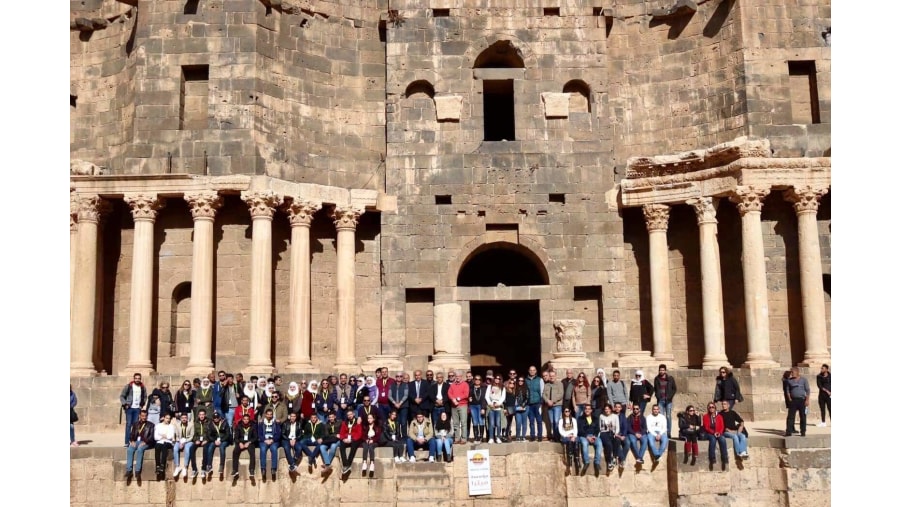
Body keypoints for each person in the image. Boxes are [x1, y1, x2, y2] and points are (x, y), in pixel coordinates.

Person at [125, 409, 155, 479]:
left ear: (147, 416)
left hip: (146, 442)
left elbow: (152, 437)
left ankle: (137, 471)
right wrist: (132, 441)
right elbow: (132, 434)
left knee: (140, 449)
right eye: (142, 416)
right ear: (139, 416)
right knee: (130, 449)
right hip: (136, 442)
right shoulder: (136, 424)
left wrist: (145, 442)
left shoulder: (151, 425)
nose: (144, 417)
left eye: (145, 416)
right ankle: (129, 470)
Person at [120, 373, 148, 447]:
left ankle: (134, 441)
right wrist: (125, 404)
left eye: (139, 378)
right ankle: (127, 442)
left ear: (140, 379)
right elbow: (122, 396)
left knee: (135, 425)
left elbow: (145, 396)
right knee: (128, 425)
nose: (137, 380)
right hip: (129, 408)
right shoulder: (129, 386)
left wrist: (142, 404)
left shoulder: (142, 387)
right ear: (134, 378)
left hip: (137, 408)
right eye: (136, 378)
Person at [784, 367, 811, 437]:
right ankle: (788, 431)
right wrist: (789, 399)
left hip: (802, 400)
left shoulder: (804, 380)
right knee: (790, 417)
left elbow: (807, 390)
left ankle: (803, 431)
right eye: (791, 372)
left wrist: (807, 400)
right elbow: (787, 391)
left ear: (797, 372)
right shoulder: (789, 381)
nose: (791, 374)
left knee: (803, 416)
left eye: (792, 372)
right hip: (793, 400)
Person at [702, 402, 728, 470]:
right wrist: (714, 433)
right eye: (710, 407)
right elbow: (706, 427)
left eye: (712, 407)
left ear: (715, 408)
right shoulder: (705, 416)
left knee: (722, 439)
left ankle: (724, 458)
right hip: (709, 433)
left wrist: (719, 433)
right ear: (708, 408)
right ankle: (712, 458)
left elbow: (722, 426)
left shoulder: (719, 416)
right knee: (713, 439)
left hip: (718, 433)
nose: (711, 408)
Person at [577, 404, 602, 475]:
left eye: (589, 409)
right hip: (584, 436)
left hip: (593, 435)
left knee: (599, 443)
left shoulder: (595, 418)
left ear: (591, 410)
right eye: (586, 409)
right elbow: (579, 430)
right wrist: (587, 436)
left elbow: (597, 429)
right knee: (584, 444)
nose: (587, 410)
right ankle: (586, 462)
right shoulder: (580, 418)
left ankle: (597, 463)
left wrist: (594, 436)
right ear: (584, 410)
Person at [232, 414, 259, 479]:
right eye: (244, 419)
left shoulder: (252, 426)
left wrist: (249, 442)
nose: (246, 420)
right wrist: (240, 443)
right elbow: (236, 437)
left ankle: (251, 469)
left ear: (249, 420)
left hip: (249, 442)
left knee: (252, 453)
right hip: (241, 442)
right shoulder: (238, 426)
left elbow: (255, 437)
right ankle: (235, 470)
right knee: (235, 452)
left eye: (247, 419)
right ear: (242, 420)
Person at [188, 408, 213, 478]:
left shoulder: (209, 422)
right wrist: (196, 440)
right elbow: (194, 434)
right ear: (198, 415)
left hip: (206, 440)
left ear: (205, 415)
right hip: (198, 440)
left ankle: (203, 468)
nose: (201, 416)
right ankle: (194, 469)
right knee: (191, 448)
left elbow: (211, 433)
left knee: (205, 449)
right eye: (200, 415)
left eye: (203, 414)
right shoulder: (195, 423)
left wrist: (206, 440)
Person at [653, 364, 677, 437]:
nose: (661, 371)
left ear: (665, 371)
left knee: (668, 416)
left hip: (668, 401)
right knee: (661, 417)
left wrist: (670, 397)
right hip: (660, 400)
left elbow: (674, 388)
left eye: (663, 370)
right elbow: (655, 389)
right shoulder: (656, 379)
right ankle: (662, 432)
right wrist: (658, 396)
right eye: (660, 370)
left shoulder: (670, 378)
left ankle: (668, 432)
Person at [258, 408, 281, 480]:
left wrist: (272, 440)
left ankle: (273, 468)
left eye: (271, 414)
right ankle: (263, 469)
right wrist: (264, 440)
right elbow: (259, 434)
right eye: (268, 414)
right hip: (264, 440)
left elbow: (278, 434)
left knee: (274, 449)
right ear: (265, 415)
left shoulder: (276, 423)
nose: (269, 416)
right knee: (263, 449)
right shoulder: (261, 423)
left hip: (273, 440)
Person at [339, 411, 365, 475]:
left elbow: (359, 433)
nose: (349, 416)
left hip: (355, 439)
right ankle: (346, 465)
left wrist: (352, 439)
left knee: (354, 446)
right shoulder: (344, 422)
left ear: (353, 414)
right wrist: (343, 439)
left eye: (351, 414)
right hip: (346, 439)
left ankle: (348, 464)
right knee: (341, 445)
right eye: (348, 415)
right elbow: (341, 433)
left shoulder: (358, 422)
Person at [208, 412, 232, 477]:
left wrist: (221, 440)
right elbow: (209, 435)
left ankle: (221, 466)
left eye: (217, 418)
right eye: (214, 418)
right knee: (210, 447)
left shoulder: (225, 423)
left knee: (222, 448)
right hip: (215, 440)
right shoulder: (211, 424)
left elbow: (227, 434)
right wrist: (214, 440)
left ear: (219, 418)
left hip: (224, 440)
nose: (216, 419)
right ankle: (209, 465)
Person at [448, 371, 470, 444]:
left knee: (463, 423)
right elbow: (449, 393)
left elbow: (466, 394)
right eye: (456, 376)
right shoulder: (452, 385)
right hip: (454, 406)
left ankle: (463, 439)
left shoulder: (465, 384)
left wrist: (458, 399)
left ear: (461, 376)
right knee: (455, 423)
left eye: (459, 376)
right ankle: (457, 438)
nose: (457, 377)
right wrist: (453, 399)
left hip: (462, 405)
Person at [153, 413, 176, 481]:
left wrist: (164, 436)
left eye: (169, 419)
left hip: (168, 442)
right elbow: (155, 437)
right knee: (157, 447)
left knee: (165, 446)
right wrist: (163, 436)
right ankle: (157, 466)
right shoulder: (158, 425)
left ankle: (162, 465)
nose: (168, 420)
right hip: (160, 441)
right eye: (166, 418)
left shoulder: (171, 426)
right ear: (163, 418)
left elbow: (170, 436)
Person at [543, 371, 564, 442]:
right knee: (552, 422)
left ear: (556, 376)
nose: (552, 377)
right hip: (549, 406)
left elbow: (561, 394)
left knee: (556, 421)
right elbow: (543, 394)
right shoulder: (547, 385)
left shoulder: (559, 384)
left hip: (557, 405)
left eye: (553, 376)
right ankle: (555, 437)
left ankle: (558, 437)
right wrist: (547, 401)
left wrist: (553, 401)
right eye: (550, 376)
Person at [598, 404, 620, 472]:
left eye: (608, 409)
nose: (607, 410)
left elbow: (617, 427)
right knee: (608, 444)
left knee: (617, 440)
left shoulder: (615, 416)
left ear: (611, 409)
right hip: (604, 432)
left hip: (612, 432)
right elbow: (600, 427)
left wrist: (616, 433)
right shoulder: (601, 416)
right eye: (605, 409)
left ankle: (614, 457)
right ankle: (609, 461)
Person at [558, 406, 580, 474]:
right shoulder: (561, 420)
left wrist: (574, 436)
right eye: (565, 411)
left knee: (576, 441)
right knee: (569, 442)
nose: (567, 413)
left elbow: (576, 429)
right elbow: (560, 430)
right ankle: (569, 464)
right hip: (565, 436)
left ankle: (577, 460)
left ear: (570, 412)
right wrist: (567, 435)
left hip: (573, 435)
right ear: (564, 412)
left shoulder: (573, 420)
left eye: (568, 411)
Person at [389, 372, 410, 438]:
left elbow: (406, 395)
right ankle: (397, 436)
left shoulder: (405, 385)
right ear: (396, 377)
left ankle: (404, 437)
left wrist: (400, 403)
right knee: (396, 422)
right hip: (394, 406)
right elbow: (389, 395)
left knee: (403, 422)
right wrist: (395, 403)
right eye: (398, 376)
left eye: (401, 376)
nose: (399, 377)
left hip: (403, 406)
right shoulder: (391, 385)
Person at [468, 374, 487, 443]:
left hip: (480, 406)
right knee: (475, 421)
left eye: (479, 379)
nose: (477, 380)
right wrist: (469, 398)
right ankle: (476, 437)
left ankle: (481, 437)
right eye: (476, 379)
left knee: (481, 421)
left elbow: (485, 399)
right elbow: (469, 396)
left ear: (481, 380)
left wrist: (483, 408)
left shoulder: (484, 388)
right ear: (474, 380)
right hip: (473, 406)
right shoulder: (471, 387)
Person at [612, 402, 629, 469]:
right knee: (617, 443)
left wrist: (624, 435)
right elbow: (611, 427)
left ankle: (620, 459)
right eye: (616, 407)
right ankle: (622, 460)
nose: (617, 408)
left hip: (622, 434)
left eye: (619, 407)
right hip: (615, 435)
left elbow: (625, 427)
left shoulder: (622, 416)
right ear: (614, 408)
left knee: (627, 444)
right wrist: (618, 436)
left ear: (621, 408)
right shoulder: (612, 415)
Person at [513, 377, 529, 441]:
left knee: (524, 422)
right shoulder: (515, 389)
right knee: (518, 422)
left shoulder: (526, 389)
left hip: (525, 407)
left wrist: (523, 405)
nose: (520, 382)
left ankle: (523, 436)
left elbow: (528, 398)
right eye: (519, 380)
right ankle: (518, 436)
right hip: (517, 408)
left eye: (522, 381)